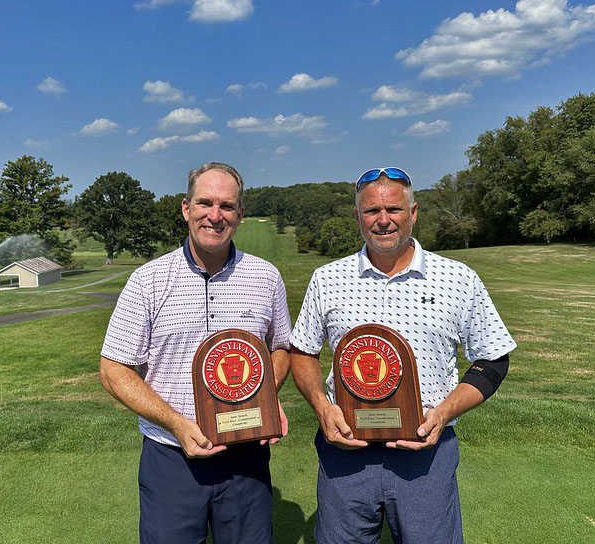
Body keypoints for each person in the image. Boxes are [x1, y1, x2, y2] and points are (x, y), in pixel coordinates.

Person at [289, 167, 516, 544]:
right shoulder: (327, 278)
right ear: (357, 217)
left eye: (393, 210)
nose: (383, 221)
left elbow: (493, 360)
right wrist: (321, 407)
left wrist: (444, 413)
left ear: (413, 213)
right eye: (371, 211)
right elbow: (302, 352)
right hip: (345, 451)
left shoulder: (458, 278)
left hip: (425, 453)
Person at [99, 162, 291, 544]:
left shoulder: (266, 276)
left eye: (227, 206)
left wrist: (266, 395)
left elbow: (280, 348)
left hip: (246, 455)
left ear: (241, 214)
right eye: (204, 203)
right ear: (186, 209)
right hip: (171, 457)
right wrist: (177, 423)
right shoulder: (149, 280)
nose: (215, 216)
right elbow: (113, 369)